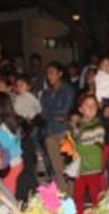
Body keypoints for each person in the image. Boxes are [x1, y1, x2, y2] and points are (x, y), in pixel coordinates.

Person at [40, 62, 76, 191]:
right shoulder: (46, 93)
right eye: (47, 73)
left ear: (60, 74)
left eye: (52, 72)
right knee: (57, 167)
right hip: (50, 132)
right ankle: (64, 194)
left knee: (69, 165)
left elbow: (64, 112)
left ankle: (72, 193)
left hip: (64, 131)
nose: (49, 76)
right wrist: (53, 114)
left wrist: (52, 113)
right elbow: (44, 114)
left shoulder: (67, 89)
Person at [70, 95, 105, 213]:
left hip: (92, 165)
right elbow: (74, 140)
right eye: (87, 105)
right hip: (80, 166)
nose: (90, 108)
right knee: (78, 194)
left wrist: (77, 148)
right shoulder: (79, 125)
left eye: (93, 105)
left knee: (95, 194)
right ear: (81, 109)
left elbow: (95, 147)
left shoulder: (97, 125)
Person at [0, 92, 23, 195]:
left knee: (8, 198)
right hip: (16, 163)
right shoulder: (11, 123)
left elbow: (0, 148)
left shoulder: (2, 127)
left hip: (11, 166)